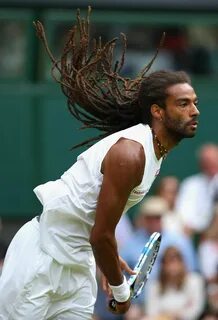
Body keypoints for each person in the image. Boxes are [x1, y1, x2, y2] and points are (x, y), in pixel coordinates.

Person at [0, 8, 200, 320]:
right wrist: (122, 293)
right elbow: (101, 234)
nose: (194, 111)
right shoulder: (131, 153)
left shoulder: (154, 154)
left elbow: (98, 226)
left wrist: (110, 259)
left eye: (195, 103)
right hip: (40, 261)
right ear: (158, 111)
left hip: (78, 265)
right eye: (184, 103)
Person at [145, 246, 205, 320]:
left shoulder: (194, 280)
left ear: (182, 263)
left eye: (175, 262)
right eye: (168, 263)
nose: (172, 267)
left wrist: (179, 316)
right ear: (163, 266)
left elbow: (196, 308)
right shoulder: (154, 285)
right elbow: (151, 311)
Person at [176, 143, 218, 237]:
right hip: (195, 234)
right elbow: (184, 215)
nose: (210, 164)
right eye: (206, 161)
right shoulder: (190, 184)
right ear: (201, 164)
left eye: (214, 160)